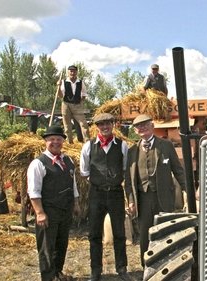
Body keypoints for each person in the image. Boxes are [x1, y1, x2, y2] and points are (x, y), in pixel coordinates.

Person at [125, 114, 186, 266]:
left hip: (163, 197)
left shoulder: (166, 145)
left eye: (145, 125)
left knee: (164, 231)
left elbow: (178, 170)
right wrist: (131, 201)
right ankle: (147, 267)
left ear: (152, 126)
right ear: (135, 130)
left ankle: (166, 266)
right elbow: (128, 179)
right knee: (145, 235)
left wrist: (189, 190)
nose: (142, 128)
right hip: (143, 199)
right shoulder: (132, 151)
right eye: (139, 126)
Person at [79, 113, 132, 281]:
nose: (105, 127)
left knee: (119, 233)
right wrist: (99, 182)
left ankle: (122, 268)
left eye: (108, 124)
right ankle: (96, 270)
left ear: (113, 125)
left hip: (116, 193)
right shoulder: (88, 146)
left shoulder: (122, 146)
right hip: (96, 194)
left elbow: (125, 169)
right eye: (101, 125)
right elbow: (84, 171)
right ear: (97, 127)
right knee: (94, 233)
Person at [27, 125, 81, 281]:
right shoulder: (38, 163)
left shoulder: (67, 160)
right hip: (48, 211)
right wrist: (40, 213)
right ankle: (48, 277)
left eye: (59, 139)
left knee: (61, 243)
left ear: (63, 141)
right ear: (45, 141)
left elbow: (74, 184)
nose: (55, 142)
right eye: (52, 139)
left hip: (65, 210)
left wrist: (76, 203)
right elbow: (34, 191)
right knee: (46, 247)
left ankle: (58, 272)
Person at [56, 65, 90, 144]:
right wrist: (58, 87)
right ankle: (69, 142)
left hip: (77, 105)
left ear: (76, 72)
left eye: (74, 71)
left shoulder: (81, 82)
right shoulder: (64, 82)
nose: (72, 72)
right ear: (68, 72)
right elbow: (60, 96)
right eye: (71, 71)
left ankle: (87, 142)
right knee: (67, 126)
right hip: (66, 105)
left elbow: (84, 94)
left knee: (84, 124)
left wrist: (80, 102)